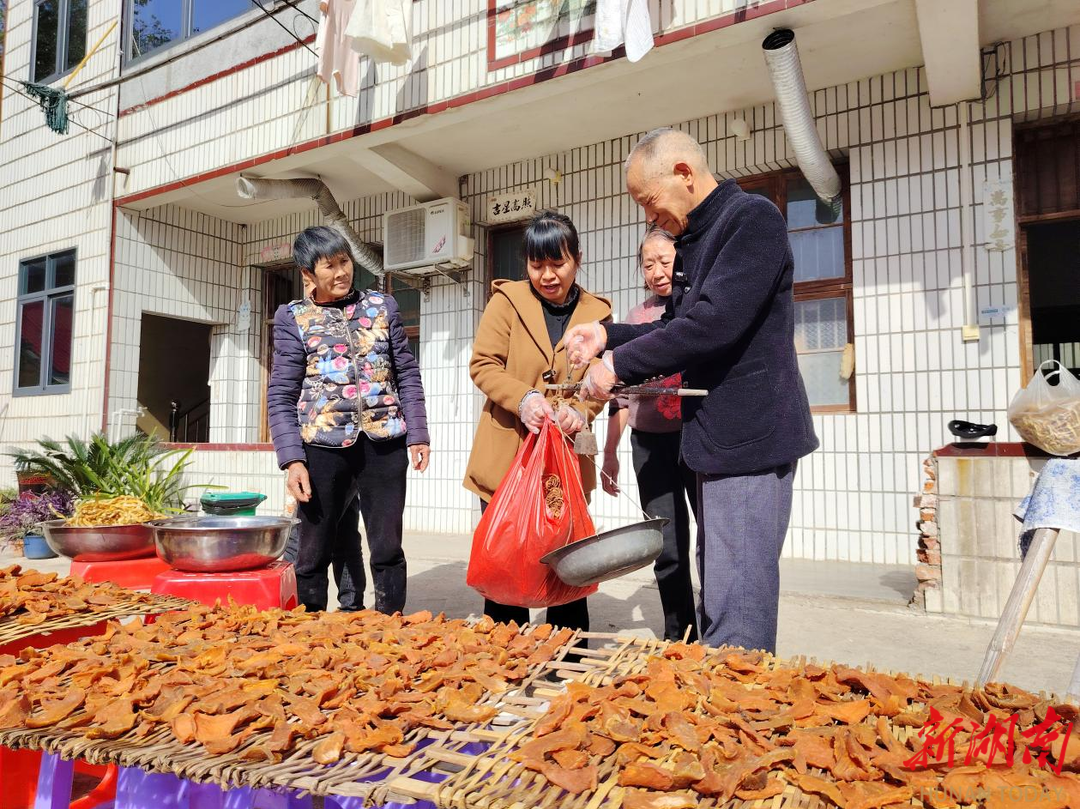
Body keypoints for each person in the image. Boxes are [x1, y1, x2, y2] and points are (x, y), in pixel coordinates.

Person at [566, 128, 818, 654]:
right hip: (716, 440)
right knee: (719, 582)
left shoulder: (750, 219)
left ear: (683, 173)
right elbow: (672, 327)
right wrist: (607, 334)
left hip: (750, 436)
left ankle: (739, 708)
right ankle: (725, 698)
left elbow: (712, 324)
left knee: (737, 595)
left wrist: (617, 366)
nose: (649, 218)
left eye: (649, 202)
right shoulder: (696, 237)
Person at [268, 225, 430, 614]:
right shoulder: (294, 318)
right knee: (313, 550)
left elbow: (406, 373)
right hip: (321, 449)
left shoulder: (381, 307)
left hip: (384, 444)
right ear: (308, 274)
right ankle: (308, 633)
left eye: (345, 262)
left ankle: (391, 624)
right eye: (330, 266)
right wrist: (292, 459)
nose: (342, 273)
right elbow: (281, 394)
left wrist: (418, 434)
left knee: (387, 546)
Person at [463, 210, 611, 632]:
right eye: (536, 265)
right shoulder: (506, 302)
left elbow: (600, 384)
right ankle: (505, 665)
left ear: (577, 258)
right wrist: (523, 398)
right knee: (510, 566)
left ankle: (568, 665)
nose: (547, 275)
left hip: (563, 461)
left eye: (557, 263)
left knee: (567, 559)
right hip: (508, 454)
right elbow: (483, 366)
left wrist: (578, 413)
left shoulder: (597, 313)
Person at [601, 227, 698, 643]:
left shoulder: (696, 310)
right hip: (649, 444)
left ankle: (717, 631)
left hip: (695, 436)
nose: (658, 271)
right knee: (668, 544)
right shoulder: (635, 319)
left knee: (713, 540)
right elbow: (619, 400)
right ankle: (680, 635)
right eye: (648, 263)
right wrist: (610, 455)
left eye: (666, 260)